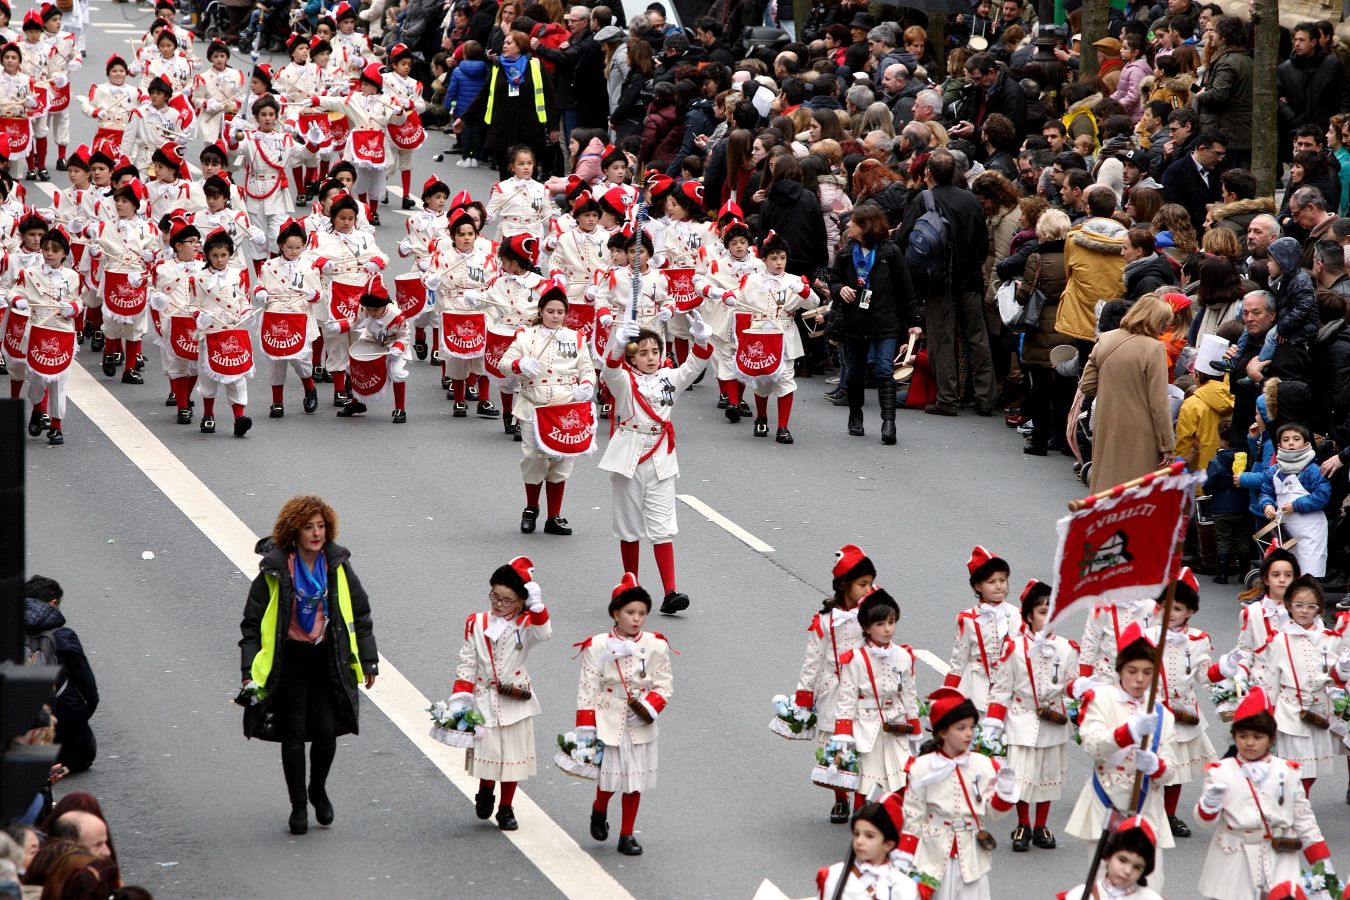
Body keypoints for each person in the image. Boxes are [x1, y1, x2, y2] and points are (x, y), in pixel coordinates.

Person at [239, 495, 379, 835]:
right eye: (308, 527)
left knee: (327, 733)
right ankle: (298, 805)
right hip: (289, 662)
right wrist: (248, 673)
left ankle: (318, 788)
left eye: (320, 526)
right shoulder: (275, 571)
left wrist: (369, 659)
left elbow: (359, 614)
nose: (316, 533)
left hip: (326, 658)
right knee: (294, 735)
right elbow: (252, 627)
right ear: (294, 531)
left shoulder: (337, 565)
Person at [1064, 623, 1177, 890]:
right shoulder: (1101, 699)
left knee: (1149, 886)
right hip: (1106, 801)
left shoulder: (1162, 714)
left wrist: (1156, 766)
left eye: (1147, 672)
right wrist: (1127, 732)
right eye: (1132, 671)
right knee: (1106, 884)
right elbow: (1091, 745)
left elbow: (1171, 769)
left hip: (1146, 806)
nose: (1139, 679)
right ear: (1120, 670)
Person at [1193, 686, 1334, 899]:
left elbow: (1303, 817)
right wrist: (1208, 806)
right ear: (1234, 737)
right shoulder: (1220, 772)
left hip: (1279, 857)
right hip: (1233, 859)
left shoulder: (1287, 771)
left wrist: (1321, 861)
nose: (1249, 743)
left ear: (1271, 739)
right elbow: (1205, 822)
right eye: (1243, 736)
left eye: (1257, 737)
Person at [573, 574, 674, 856]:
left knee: (634, 781)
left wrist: (649, 707)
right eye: (630, 612)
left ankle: (626, 834)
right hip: (607, 718)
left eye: (642, 613)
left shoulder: (657, 645)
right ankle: (599, 808)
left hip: (640, 719)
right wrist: (585, 729)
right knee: (610, 778)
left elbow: (664, 683)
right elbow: (587, 688)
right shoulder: (596, 645)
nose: (636, 619)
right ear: (615, 613)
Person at [449, 557, 551, 831]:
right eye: (495, 596)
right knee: (489, 751)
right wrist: (461, 696)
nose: (499, 604)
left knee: (513, 755)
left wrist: (538, 607)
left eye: (507, 600)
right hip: (484, 696)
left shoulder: (526, 624)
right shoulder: (477, 622)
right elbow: (467, 660)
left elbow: (545, 633)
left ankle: (506, 807)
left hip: (516, 697)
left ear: (521, 602)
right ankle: (485, 790)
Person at [894, 687, 1019, 900]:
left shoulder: (984, 765)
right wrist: (904, 856)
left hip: (972, 855)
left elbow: (992, 811)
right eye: (961, 728)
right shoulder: (921, 768)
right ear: (942, 732)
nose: (969, 733)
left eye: (971, 727)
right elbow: (913, 816)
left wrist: (1005, 792)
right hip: (932, 854)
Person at [982, 579, 1077, 852]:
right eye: (1042, 612)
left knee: (1047, 775)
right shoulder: (1013, 648)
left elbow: (1071, 682)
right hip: (1022, 717)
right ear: (1028, 616)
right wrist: (993, 721)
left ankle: (1041, 825)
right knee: (1022, 775)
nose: (1047, 618)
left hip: (1054, 721)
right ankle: (1023, 822)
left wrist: (1082, 689)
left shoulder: (1067, 648)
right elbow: (1001, 688)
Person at [901, 151, 994, 417]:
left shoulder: (924, 199)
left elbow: (906, 237)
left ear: (928, 172)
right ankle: (985, 398)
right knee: (977, 338)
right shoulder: (969, 199)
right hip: (969, 280)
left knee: (942, 340)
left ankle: (948, 399)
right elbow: (982, 242)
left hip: (938, 282)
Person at [499, 286, 597, 535]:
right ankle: (531, 508)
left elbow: (586, 368)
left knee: (562, 460)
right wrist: (520, 364)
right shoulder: (525, 336)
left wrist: (587, 385)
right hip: (534, 405)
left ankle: (554, 515)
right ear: (541, 311)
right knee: (534, 458)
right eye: (551, 311)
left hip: (566, 405)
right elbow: (503, 365)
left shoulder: (576, 338)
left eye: (560, 312)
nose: (555, 316)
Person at [826, 204, 918, 444]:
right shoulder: (847, 253)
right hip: (854, 323)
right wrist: (839, 289)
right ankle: (855, 417)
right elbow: (833, 279)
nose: (848, 224)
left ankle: (889, 423)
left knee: (885, 370)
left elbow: (905, 288)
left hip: (884, 322)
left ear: (866, 226)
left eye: (853, 221)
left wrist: (913, 322)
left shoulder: (891, 253)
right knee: (855, 373)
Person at [795, 545, 873, 824]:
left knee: (864, 745)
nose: (868, 589)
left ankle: (862, 802)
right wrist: (804, 698)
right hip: (833, 691)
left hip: (865, 690)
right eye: (862, 584)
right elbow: (812, 660)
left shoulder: (872, 615)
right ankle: (841, 799)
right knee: (837, 749)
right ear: (844, 585)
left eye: (870, 584)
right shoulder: (825, 621)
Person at [1078, 293, 1177, 492]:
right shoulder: (1154, 349)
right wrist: (1166, 444)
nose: (1164, 328)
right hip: (1140, 431)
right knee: (1134, 497)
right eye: (1164, 323)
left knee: (1105, 487)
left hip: (1106, 423)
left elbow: (1086, 385)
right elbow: (1158, 403)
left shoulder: (1106, 339)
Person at [831, 589, 920, 804]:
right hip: (866, 725)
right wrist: (843, 735)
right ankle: (862, 823)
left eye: (891, 622)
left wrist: (914, 728)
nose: (887, 629)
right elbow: (847, 698)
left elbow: (909, 694)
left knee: (900, 775)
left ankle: (897, 822)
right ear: (866, 627)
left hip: (896, 724)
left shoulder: (904, 656)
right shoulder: (856, 659)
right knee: (868, 781)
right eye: (880, 624)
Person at [728, 230, 818, 443]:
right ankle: (761, 417)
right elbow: (738, 299)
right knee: (761, 381)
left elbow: (814, 303)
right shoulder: (751, 280)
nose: (779, 263)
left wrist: (804, 291)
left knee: (786, 380)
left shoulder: (795, 280)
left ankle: (783, 427)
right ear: (764, 260)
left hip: (785, 336)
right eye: (774, 258)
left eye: (783, 258)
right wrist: (729, 298)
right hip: (760, 334)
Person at [1154, 569, 1219, 838]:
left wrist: (1224, 669)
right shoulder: (1145, 635)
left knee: (1177, 769)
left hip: (1184, 713)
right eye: (1166, 606)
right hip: (1154, 713)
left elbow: (1204, 675)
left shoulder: (1198, 640)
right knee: (1153, 766)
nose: (1171, 612)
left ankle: (1169, 814)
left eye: (1178, 608)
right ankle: (1148, 813)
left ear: (1190, 611)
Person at [22, 575, 98, 773]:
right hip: (68, 748)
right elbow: (89, 691)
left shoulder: (8, 633)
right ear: (53, 603)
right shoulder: (63, 636)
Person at [1016, 209, 1075, 456]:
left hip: (1040, 327)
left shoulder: (1036, 258)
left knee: (1040, 388)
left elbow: (1024, 296)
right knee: (1064, 386)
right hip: (1067, 323)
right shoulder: (1074, 258)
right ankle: (1062, 438)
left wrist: (1020, 287)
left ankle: (1039, 439)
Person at [460, 31, 558, 180]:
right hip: (502, 128)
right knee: (505, 176)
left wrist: (552, 126)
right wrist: (464, 118)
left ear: (519, 47)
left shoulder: (535, 65)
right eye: (504, 43)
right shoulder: (497, 67)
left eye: (508, 43)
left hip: (530, 128)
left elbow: (549, 96)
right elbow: (483, 95)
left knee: (528, 174)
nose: (504, 46)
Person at [1257, 422, 1331, 577]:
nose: (1291, 442)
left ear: (1306, 443)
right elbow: (1266, 492)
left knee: (1309, 572)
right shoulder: (1274, 471)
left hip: (1310, 530)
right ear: (1279, 445)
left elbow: (1322, 495)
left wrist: (1297, 505)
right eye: (1286, 439)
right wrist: (1267, 505)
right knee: (1287, 572)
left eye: (1296, 439)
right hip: (1285, 531)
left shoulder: (1312, 470)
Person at [816, 801, 917, 900]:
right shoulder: (833, 876)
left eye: (869, 836)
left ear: (888, 845)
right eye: (856, 834)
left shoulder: (904, 887)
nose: (859, 841)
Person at [1193, 16, 1251, 168]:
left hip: (1228, 131)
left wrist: (1201, 95)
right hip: (1238, 130)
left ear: (1224, 37)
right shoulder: (1244, 59)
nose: (1211, 35)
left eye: (1215, 32)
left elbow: (1218, 95)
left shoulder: (1227, 62)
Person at [1057, 817, 1164, 900]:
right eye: (1122, 860)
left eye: (1137, 867)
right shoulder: (1079, 894)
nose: (1127, 871)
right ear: (1108, 857)